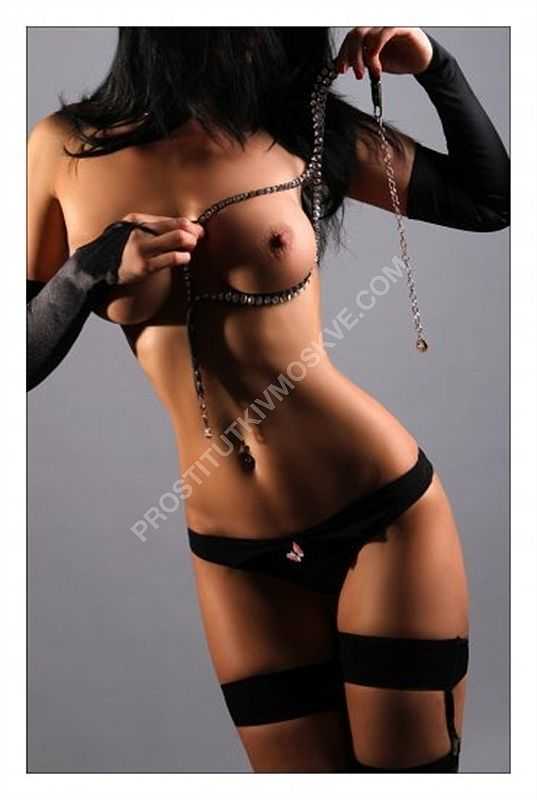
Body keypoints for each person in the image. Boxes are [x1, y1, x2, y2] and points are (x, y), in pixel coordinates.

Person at [27, 27, 509, 772]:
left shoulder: (299, 125)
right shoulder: (64, 149)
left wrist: (436, 68)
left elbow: (490, 200)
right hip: (235, 553)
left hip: (378, 513)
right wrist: (87, 270)